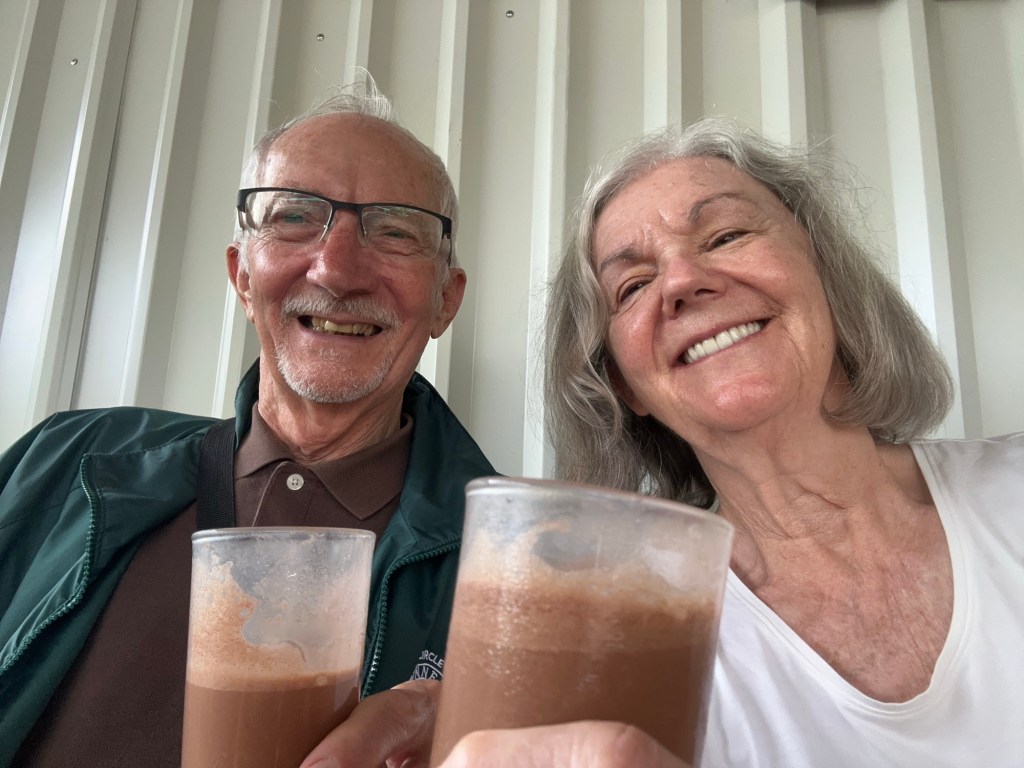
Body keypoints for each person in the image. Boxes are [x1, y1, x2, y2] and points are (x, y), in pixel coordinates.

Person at [0, 77, 494, 767]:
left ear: (446, 300)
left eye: (394, 231)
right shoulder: (61, 461)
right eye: (294, 217)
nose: (338, 269)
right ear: (241, 274)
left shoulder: (506, 573)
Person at [528, 118, 1022, 767]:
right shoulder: (632, 653)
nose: (680, 282)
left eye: (726, 235)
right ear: (624, 385)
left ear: (826, 273)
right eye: (634, 285)